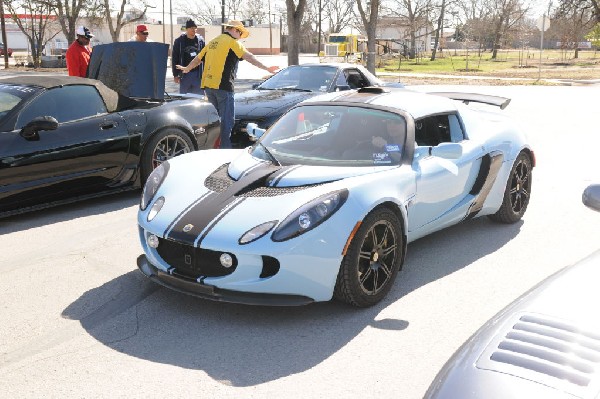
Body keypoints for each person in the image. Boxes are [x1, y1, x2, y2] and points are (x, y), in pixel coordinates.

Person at [176, 20, 279, 149]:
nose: (241, 37)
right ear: (235, 30)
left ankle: (211, 147)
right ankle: (225, 150)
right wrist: (267, 68)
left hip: (208, 86)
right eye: (240, 33)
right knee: (227, 121)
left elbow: (198, 59)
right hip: (223, 86)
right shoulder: (232, 42)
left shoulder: (213, 42)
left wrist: (187, 68)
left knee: (214, 121)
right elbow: (249, 57)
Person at [172, 19, 205, 95]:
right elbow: (175, 58)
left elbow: (205, 57)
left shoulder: (200, 40)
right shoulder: (179, 41)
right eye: (192, 28)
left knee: (198, 99)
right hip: (184, 74)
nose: (194, 30)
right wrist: (175, 75)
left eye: (195, 28)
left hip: (198, 74)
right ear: (187, 29)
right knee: (184, 98)